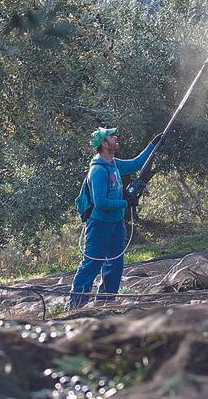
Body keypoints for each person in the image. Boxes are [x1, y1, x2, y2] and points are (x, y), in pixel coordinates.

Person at [69, 127, 160, 309]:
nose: (116, 138)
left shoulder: (114, 163)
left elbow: (135, 164)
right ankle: (75, 305)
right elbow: (101, 203)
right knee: (92, 263)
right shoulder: (98, 171)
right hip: (99, 224)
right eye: (112, 136)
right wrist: (125, 202)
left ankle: (105, 303)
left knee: (115, 264)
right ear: (104, 144)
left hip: (116, 224)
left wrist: (153, 145)